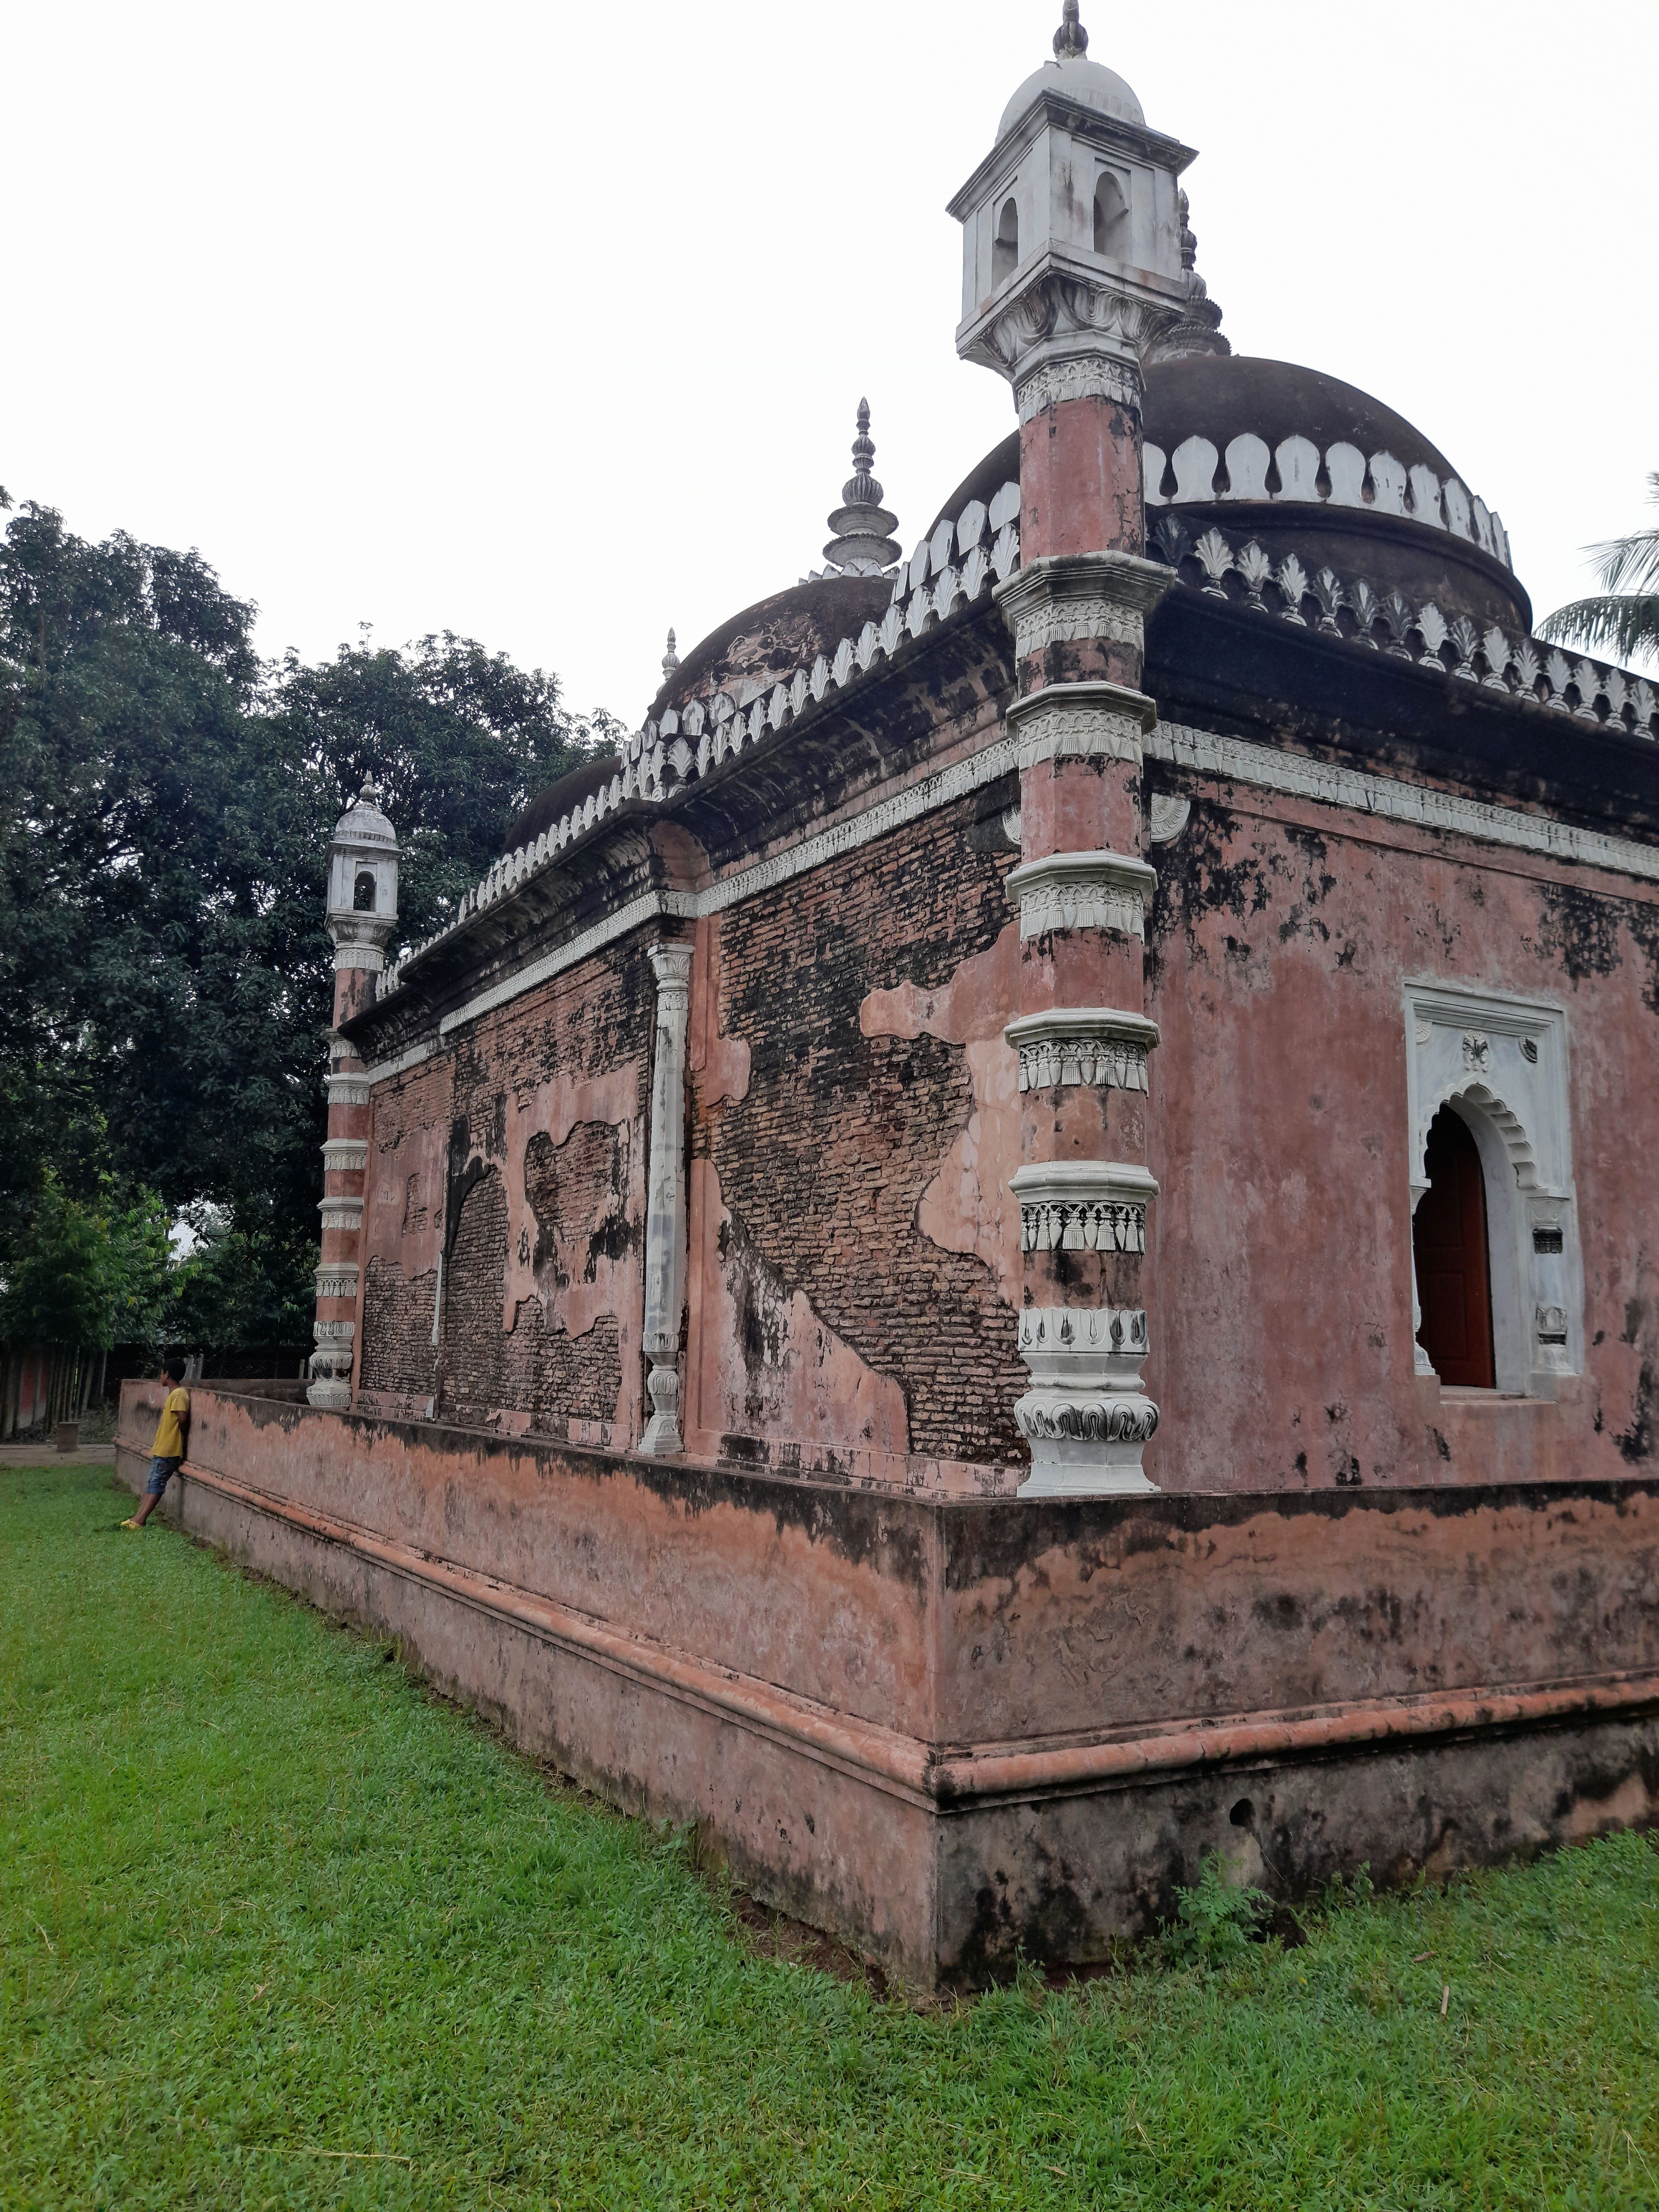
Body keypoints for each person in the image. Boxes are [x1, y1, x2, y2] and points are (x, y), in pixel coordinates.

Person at [121, 1359, 191, 1529]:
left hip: (169, 1449)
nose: (160, 1377)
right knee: (152, 1482)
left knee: (157, 1482)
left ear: (167, 1374)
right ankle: (138, 1517)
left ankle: (141, 1519)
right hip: (162, 1447)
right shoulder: (174, 1395)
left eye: (162, 1373)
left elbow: (183, 1419)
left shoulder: (179, 1395)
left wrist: (182, 1442)